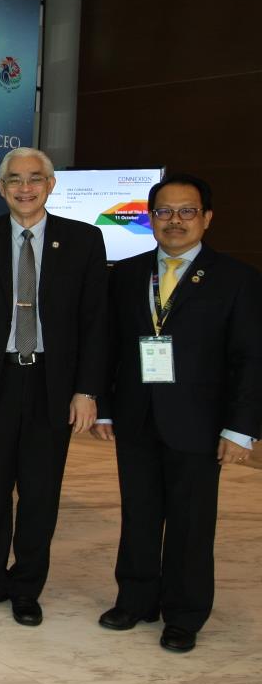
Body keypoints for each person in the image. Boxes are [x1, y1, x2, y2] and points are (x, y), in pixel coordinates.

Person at [92, 173, 262, 652]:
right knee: (139, 512)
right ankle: (136, 599)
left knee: (191, 521)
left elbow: (251, 358)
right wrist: (104, 407)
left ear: (207, 218)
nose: (175, 221)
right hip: (136, 415)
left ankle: (184, 614)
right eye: (164, 212)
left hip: (200, 422)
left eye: (187, 211)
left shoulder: (237, 279)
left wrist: (241, 428)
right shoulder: (125, 275)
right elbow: (108, 347)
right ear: (150, 219)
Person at [0, 147, 108, 626]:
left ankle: (27, 587)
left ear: (50, 184)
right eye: (14, 179)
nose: (25, 187)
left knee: (41, 491)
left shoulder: (83, 239)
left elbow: (96, 322)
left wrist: (86, 390)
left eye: (34, 178)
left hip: (51, 382)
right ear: (1, 189)